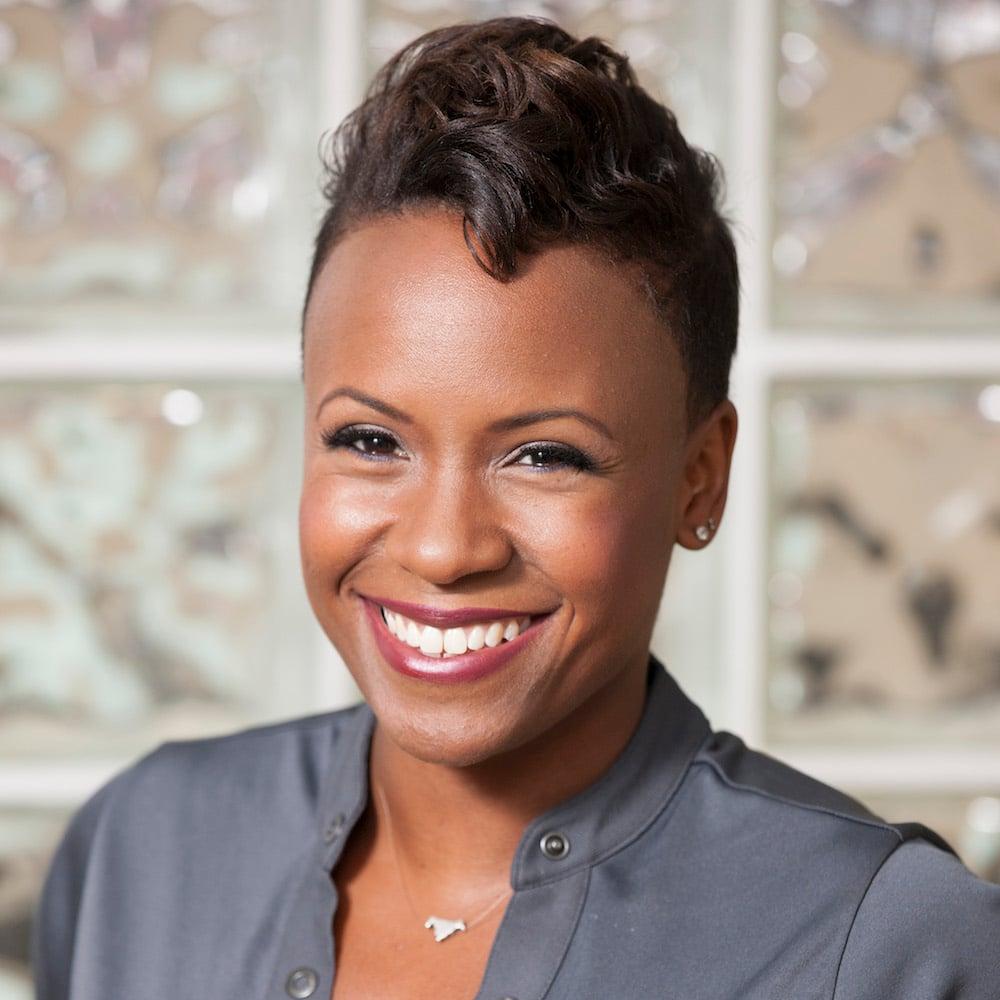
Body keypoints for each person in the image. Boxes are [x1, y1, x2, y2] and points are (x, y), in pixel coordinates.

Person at [32, 16, 1000, 1000]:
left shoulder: (885, 945)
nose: (446, 546)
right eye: (370, 440)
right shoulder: (140, 851)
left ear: (698, 478)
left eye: (545, 455)